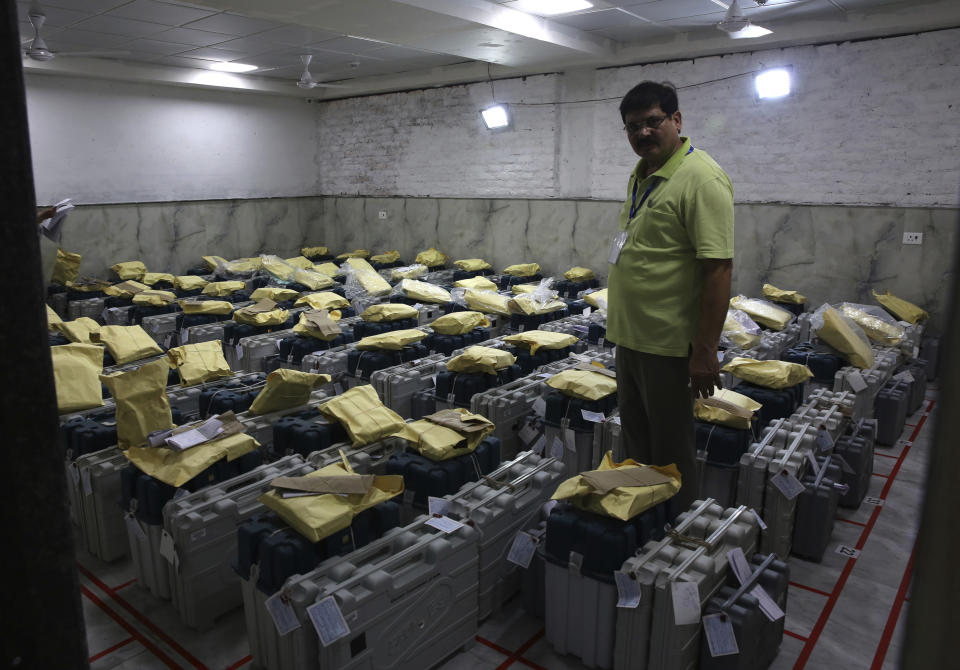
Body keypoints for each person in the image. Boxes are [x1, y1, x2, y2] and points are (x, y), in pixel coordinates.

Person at [606, 80, 734, 512]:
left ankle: (673, 530)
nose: (643, 133)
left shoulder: (701, 178)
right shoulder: (642, 174)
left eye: (653, 122)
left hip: (668, 343)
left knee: (671, 451)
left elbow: (717, 270)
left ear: (676, 120)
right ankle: (642, 518)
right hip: (631, 337)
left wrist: (704, 351)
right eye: (632, 127)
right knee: (637, 440)